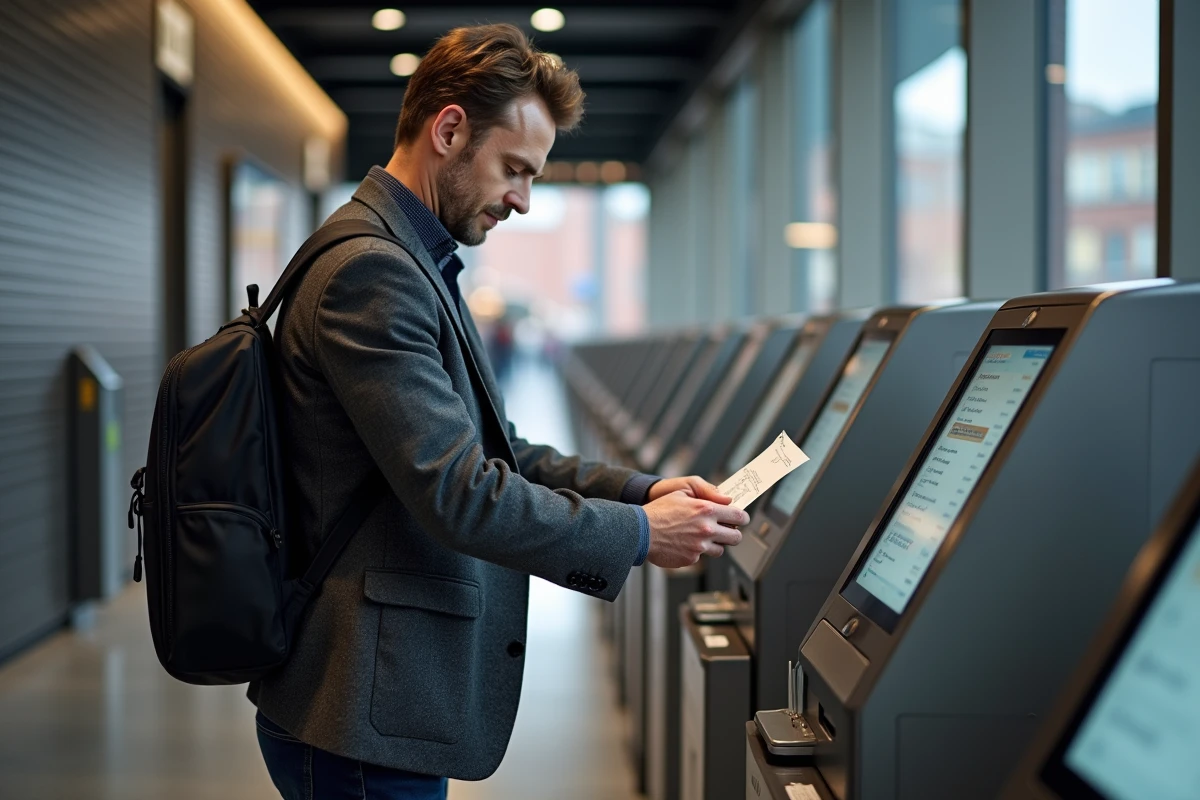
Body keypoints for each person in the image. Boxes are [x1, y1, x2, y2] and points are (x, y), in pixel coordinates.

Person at [249, 23, 748, 799]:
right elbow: (460, 494)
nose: (521, 198)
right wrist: (643, 537)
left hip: (380, 700)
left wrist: (640, 491)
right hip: (359, 710)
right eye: (515, 168)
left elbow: (498, 449)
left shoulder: (414, 261)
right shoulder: (372, 275)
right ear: (450, 130)